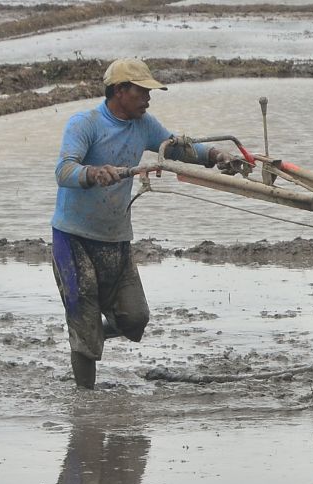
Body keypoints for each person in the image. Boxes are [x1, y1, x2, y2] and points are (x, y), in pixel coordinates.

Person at [51, 58, 231, 389]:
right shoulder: (85, 124)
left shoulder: (144, 125)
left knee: (135, 319)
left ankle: (87, 335)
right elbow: (63, 171)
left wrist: (215, 156)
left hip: (116, 237)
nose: (148, 100)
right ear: (120, 91)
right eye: (142, 92)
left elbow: (175, 149)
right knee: (84, 315)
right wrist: (92, 173)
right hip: (73, 238)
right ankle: (85, 400)